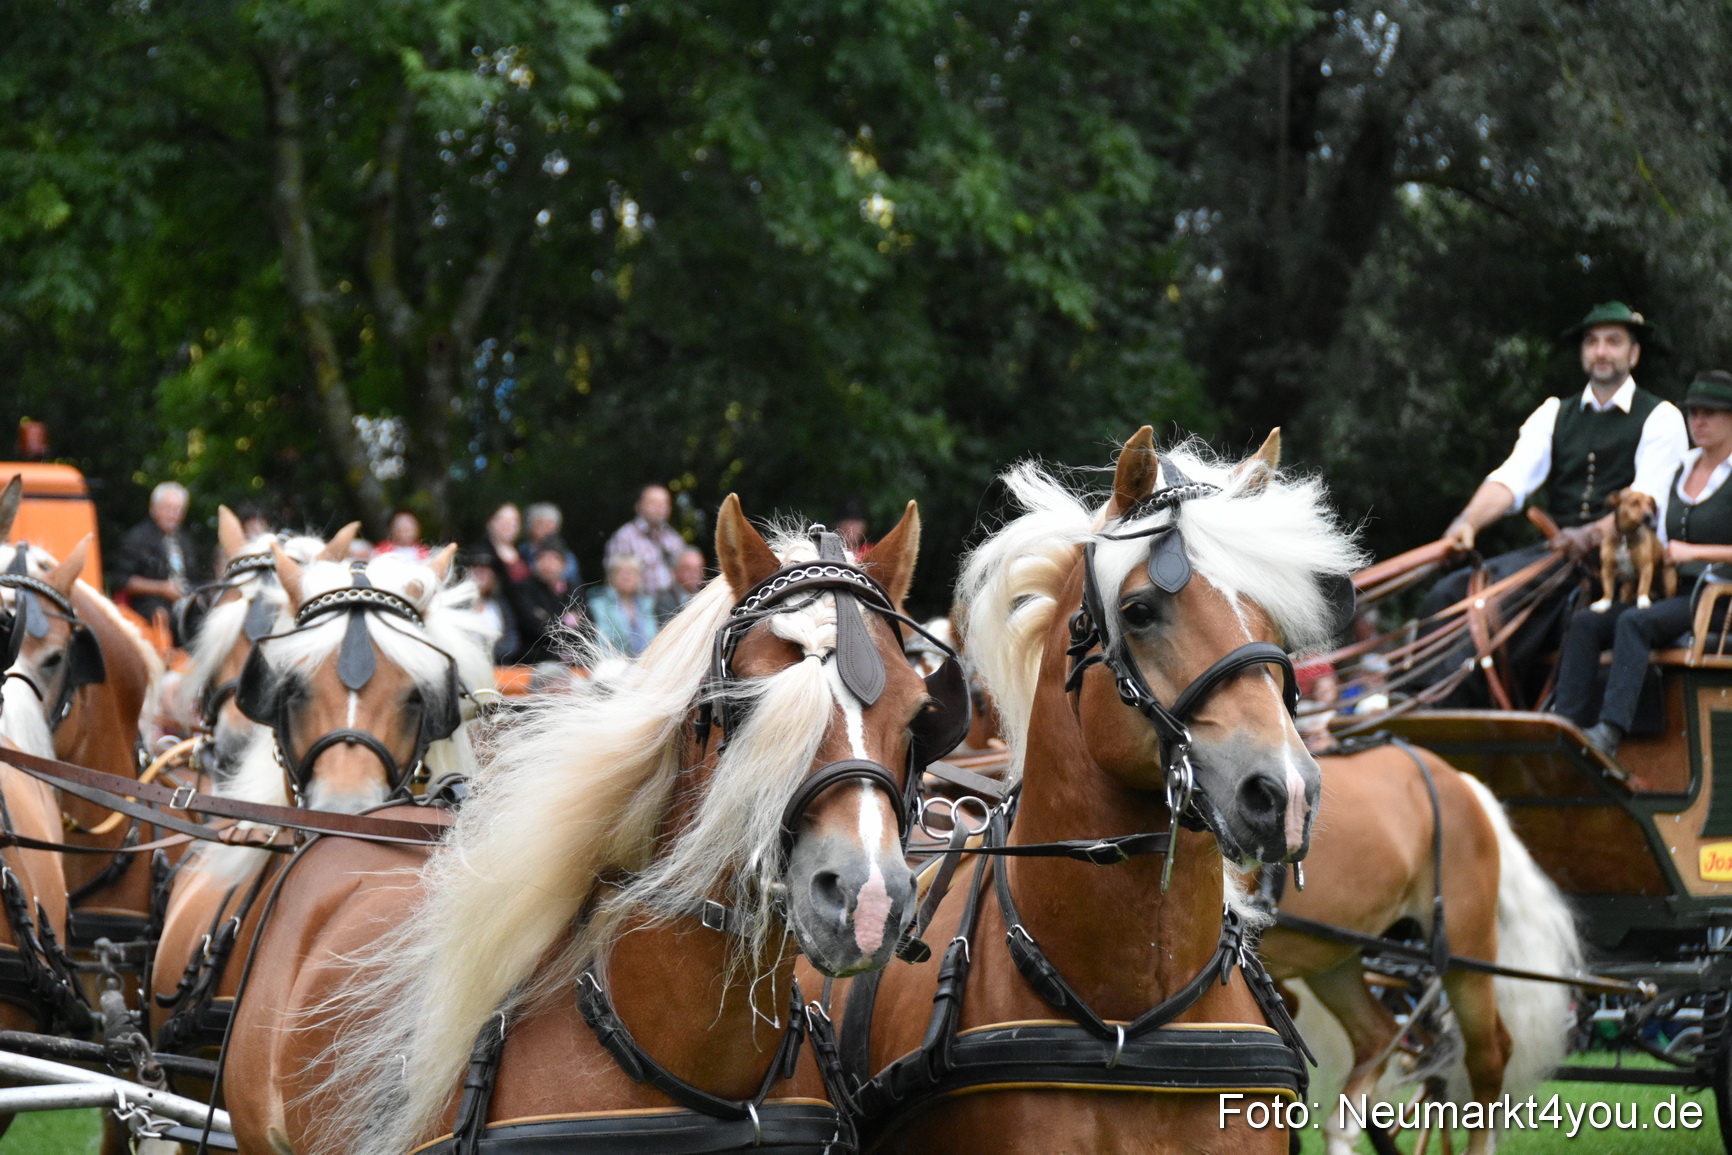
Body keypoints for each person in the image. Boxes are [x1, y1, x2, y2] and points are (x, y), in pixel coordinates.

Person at [1417, 302, 1688, 704]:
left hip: (1619, 564)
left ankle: (1457, 706)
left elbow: (1648, 499)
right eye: (1592, 342)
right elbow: (1512, 478)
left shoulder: (1661, 417)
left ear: (1634, 354)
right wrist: (1467, 521)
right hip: (1555, 555)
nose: (1601, 351)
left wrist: (1590, 534)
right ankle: (1418, 703)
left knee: (1498, 604)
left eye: (1613, 342)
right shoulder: (1554, 413)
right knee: (1447, 593)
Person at [1554, 371, 1732, 756]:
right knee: (1586, 622)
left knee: (1635, 621)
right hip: (1670, 593)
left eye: (1711, 413)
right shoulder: (1680, 469)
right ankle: (1565, 726)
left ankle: (1609, 732)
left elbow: (1685, 551)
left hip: (1718, 598)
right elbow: (1650, 530)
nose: (1698, 421)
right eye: (1694, 412)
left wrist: (1694, 553)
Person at [114, 481, 197, 626]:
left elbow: (195, 578)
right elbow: (122, 581)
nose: (173, 514)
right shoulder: (137, 538)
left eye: (178, 509)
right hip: (149, 606)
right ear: (153, 508)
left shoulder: (184, 541)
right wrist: (162, 588)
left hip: (185, 602)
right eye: (168, 508)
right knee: (161, 615)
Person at [604, 484, 686, 598]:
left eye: (664, 503)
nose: (659, 508)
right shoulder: (624, 537)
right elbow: (615, 580)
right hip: (641, 605)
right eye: (653, 503)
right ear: (639, 506)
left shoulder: (674, 538)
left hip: (674, 603)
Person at [512, 543, 584, 665]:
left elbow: (587, 626)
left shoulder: (574, 589)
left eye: (554, 558)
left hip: (573, 662)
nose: (548, 564)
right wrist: (566, 623)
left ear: (564, 564)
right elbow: (536, 628)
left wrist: (553, 622)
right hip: (534, 661)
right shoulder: (524, 589)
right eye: (542, 558)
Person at [588, 554, 659, 656]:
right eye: (621, 573)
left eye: (631, 573)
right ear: (611, 577)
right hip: (615, 662)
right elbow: (602, 642)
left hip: (648, 661)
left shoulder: (647, 604)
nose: (627, 577)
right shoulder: (600, 604)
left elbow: (654, 639)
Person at [465, 550, 522, 665]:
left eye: (485, 571)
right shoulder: (458, 605)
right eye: (476, 571)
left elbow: (512, 640)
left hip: (499, 665)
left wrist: (492, 652)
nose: (481, 575)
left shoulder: (500, 605)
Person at [525, 502, 581, 588]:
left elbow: (570, 584)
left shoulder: (568, 557)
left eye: (550, 525)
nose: (546, 530)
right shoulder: (521, 552)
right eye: (541, 524)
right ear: (531, 527)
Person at [480, 503, 528, 587]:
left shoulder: (523, 554)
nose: (507, 525)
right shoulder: (481, 555)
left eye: (513, 521)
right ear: (491, 523)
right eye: (502, 520)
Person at [655, 547, 706, 624]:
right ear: (676, 571)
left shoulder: (703, 597)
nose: (693, 574)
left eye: (697, 569)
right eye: (688, 569)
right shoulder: (665, 600)